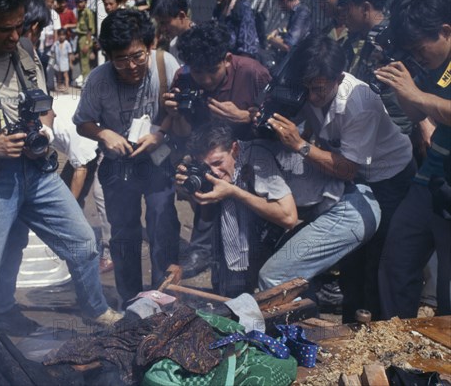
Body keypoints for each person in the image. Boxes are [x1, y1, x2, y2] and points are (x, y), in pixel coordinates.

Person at [0, 0, 121, 384]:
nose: (15, 36)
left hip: (37, 174)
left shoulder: (26, 52)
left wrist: (44, 129)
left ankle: (95, 308)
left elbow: (44, 106)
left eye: (19, 27)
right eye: (5, 29)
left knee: (82, 243)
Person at [265, 34, 415, 322]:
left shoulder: (359, 103)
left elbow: (348, 168)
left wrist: (300, 145)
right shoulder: (307, 85)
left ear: (339, 77)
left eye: (319, 90)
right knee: (351, 263)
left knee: (380, 262)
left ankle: (381, 332)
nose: (312, 97)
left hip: (390, 178)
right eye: (307, 88)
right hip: (355, 179)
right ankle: (350, 325)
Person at [177, 124, 380, 297]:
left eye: (218, 163)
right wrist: (194, 191)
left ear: (235, 149)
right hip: (330, 211)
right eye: (207, 167)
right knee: (282, 266)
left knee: (275, 276)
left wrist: (234, 192)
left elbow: (288, 217)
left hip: (350, 210)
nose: (215, 172)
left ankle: (291, 339)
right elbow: (206, 216)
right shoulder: (229, 169)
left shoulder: (257, 158)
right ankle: (301, 325)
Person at [74, 9, 181, 306]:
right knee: (123, 233)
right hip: (117, 164)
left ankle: (163, 295)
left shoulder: (164, 64)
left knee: (162, 220)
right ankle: (132, 299)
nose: (131, 66)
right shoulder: (98, 80)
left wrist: (160, 134)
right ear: (108, 56)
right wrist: (103, 134)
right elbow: (82, 122)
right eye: (121, 60)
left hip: (157, 156)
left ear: (149, 46)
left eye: (137, 56)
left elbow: (179, 110)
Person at [163, 22, 270, 278]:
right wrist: (173, 114)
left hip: (254, 152)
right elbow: (182, 132)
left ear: (228, 59)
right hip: (206, 150)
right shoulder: (183, 78)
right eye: (200, 73)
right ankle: (202, 248)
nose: (208, 80)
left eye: (214, 71)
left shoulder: (253, 73)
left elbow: (278, 123)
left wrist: (245, 117)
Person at [375, 0, 451, 320]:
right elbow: (417, 109)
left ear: (445, 31)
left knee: (448, 288)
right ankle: (397, 340)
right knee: (397, 259)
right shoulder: (434, 68)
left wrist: (418, 95)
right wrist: (401, 89)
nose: (419, 56)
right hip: (429, 179)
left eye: (421, 48)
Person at [149, 0, 193, 65]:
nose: (162, 29)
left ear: (181, 16)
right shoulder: (173, 45)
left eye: (164, 23)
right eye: (159, 24)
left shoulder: (203, 42)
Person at [74, 0, 95, 81]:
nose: (79, 4)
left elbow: (90, 30)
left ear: (85, 2)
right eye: (78, 2)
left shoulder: (88, 13)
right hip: (80, 38)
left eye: (81, 2)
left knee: (85, 63)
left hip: (86, 38)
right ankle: (84, 80)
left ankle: (86, 81)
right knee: (82, 62)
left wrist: (87, 44)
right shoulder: (80, 12)